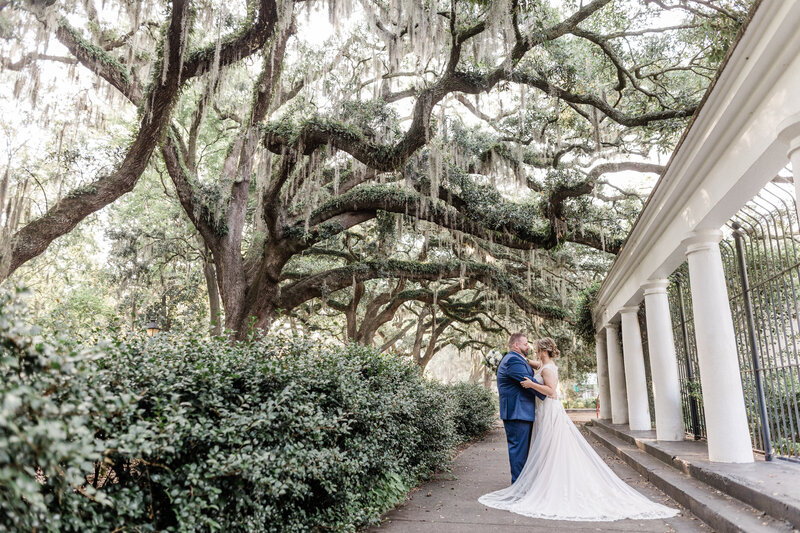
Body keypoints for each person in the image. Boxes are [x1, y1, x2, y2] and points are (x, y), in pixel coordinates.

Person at [479, 337, 678, 521]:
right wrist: (510, 359)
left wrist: (531, 383)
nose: (531, 349)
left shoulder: (547, 368)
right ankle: (538, 484)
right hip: (538, 412)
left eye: (535, 348)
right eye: (527, 345)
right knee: (544, 449)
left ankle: (543, 485)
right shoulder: (540, 364)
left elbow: (551, 391)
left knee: (551, 448)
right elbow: (532, 365)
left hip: (548, 409)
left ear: (542, 350)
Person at [495, 332, 545, 483]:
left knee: (521, 452)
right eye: (525, 344)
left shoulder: (516, 359)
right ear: (516, 345)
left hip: (520, 412)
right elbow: (528, 382)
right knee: (518, 452)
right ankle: (518, 487)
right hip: (517, 412)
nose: (528, 346)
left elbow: (527, 368)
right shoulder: (512, 361)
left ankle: (520, 485)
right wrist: (549, 391)